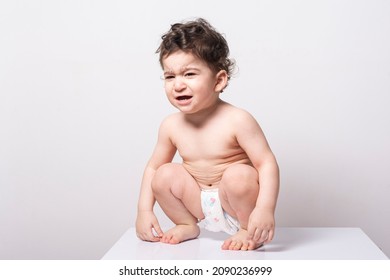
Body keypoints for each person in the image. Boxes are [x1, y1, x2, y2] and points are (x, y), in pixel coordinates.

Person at [136, 18, 279, 251]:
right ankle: (185, 223)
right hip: (197, 203)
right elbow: (152, 168)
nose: (178, 85)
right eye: (170, 76)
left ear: (219, 81)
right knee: (162, 174)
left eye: (189, 74)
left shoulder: (238, 120)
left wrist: (265, 209)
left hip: (234, 203)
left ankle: (246, 230)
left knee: (239, 175)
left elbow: (266, 164)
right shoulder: (171, 125)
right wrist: (144, 211)